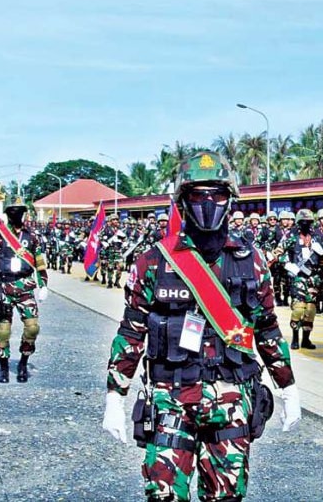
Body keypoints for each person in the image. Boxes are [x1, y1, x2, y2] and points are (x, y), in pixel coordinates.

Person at [102, 151, 300, 502]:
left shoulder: (251, 261)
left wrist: (288, 388)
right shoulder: (155, 261)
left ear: (230, 201)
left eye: (217, 195)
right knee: (164, 496)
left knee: (227, 496)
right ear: (182, 201)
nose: (207, 203)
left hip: (232, 398)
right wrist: (114, 395)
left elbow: (267, 328)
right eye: (197, 195)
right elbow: (131, 332)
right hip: (172, 398)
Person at [0, 200, 49, 383]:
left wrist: (43, 284)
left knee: (32, 327)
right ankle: (3, 366)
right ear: (8, 214)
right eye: (14, 211)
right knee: (4, 330)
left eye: (20, 211)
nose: (17, 215)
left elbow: (39, 261)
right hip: (4, 287)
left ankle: (23, 362)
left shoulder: (32, 235)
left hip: (25, 286)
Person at [273, 208, 323, 349]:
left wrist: (322, 254)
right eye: (303, 222)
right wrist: (288, 264)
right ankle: (295, 337)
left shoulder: (317, 236)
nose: (306, 225)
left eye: (308, 222)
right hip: (298, 277)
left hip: (314, 278)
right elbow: (278, 252)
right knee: (298, 309)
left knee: (310, 310)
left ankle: (306, 339)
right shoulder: (291, 235)